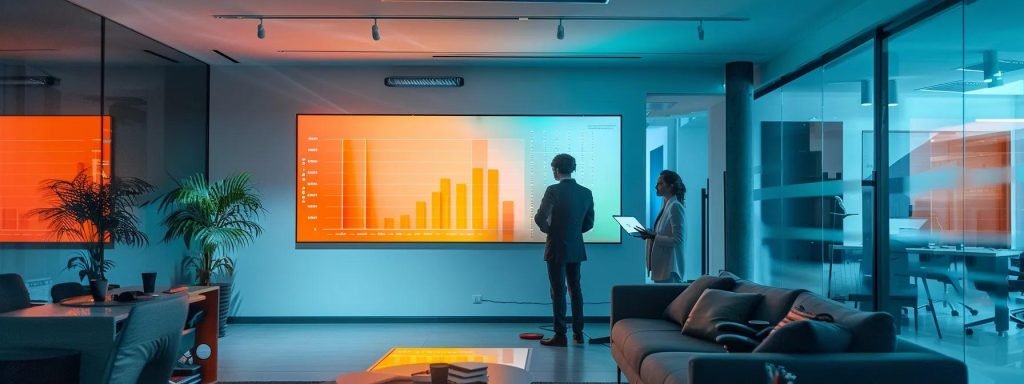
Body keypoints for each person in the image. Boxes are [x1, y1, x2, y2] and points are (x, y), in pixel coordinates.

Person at [534, 153, 595, 347]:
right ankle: (578, 333)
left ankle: (560, 335)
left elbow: (540, 217)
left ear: (556, 170)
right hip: (576, 246)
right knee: (575, 289)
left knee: (558, 291)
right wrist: (573, 232)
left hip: (556, 246)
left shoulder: (553, 190)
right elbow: (589, 223)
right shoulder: (586, 192)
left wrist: (550, 230)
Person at [637, 170, 686, 283]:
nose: (656, 186)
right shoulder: (666, 205)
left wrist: (654, 236)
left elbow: (677, 240)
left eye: (660, 184)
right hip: (662, 268)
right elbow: (664, 234)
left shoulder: (675, 207)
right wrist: (651, 234)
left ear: (670, 186)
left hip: (670, 269)